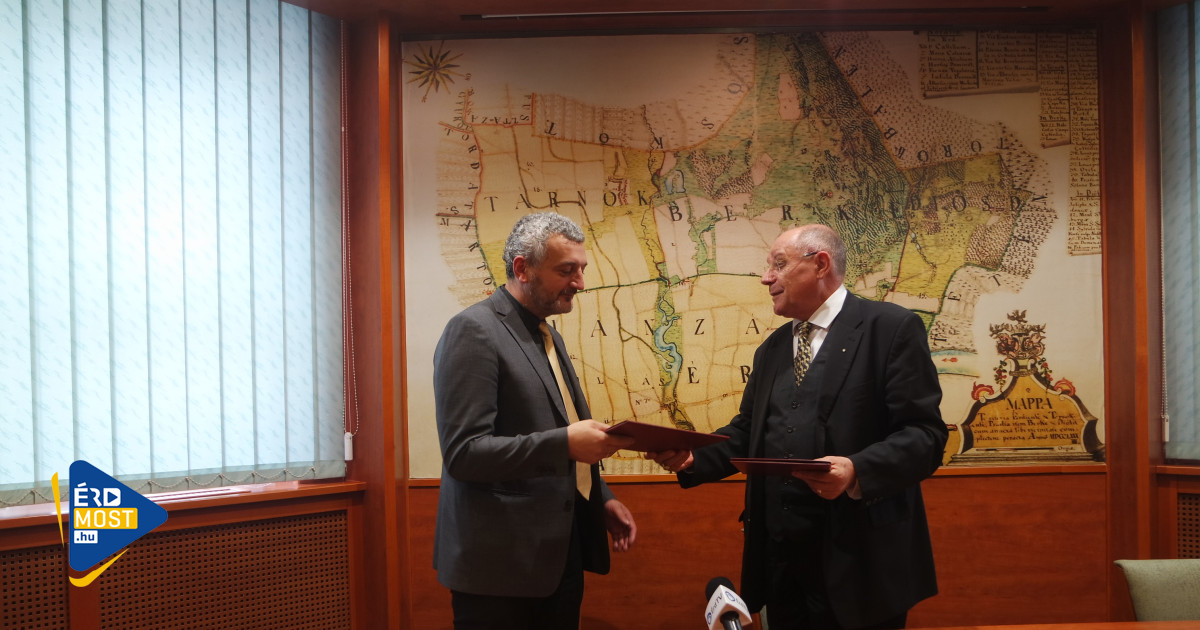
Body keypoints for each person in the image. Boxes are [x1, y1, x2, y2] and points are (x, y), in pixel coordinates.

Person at [648, 223, 947, 630]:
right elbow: (748, 432)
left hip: (861, 565)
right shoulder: (772, 348)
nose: (766, 277)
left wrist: (856, 471)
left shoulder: (890, 329)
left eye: (778, 264)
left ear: (820, 264)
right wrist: (692, 457)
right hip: (781, 565)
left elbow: (925, 436)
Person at [432, 211, 638, 630]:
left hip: (558, 556)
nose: (580, 283)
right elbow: (464, 454)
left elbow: (556, 424)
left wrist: (600, 497)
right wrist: (564, 443)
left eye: (581, 269)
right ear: (523, 268)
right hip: (499, 570)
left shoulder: (547, 333)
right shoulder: (473, 330)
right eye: (566, 270)